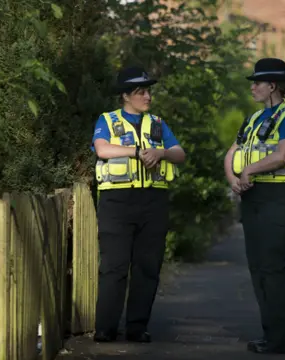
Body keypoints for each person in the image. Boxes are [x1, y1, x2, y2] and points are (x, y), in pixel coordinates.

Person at [91, 66, 186, 343]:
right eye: (141, 92)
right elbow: (102, 149)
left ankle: (137, 327)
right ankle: (105, 328)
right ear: (125, 96)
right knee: (114, 266)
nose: (147, 96)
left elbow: (179, 154)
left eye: (148, 91)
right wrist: (136, 152)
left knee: (148, 267)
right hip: (117, 202)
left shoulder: (157, 123)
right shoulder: (107, 120)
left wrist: (161, 152)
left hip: (153, 201)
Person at [224, 57, 285, 354]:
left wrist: (249, 171)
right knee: (258, 269)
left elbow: (284, 155)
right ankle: (271, 336)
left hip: (278, 198)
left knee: (272, 269)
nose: (252, 87)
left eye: (256, 82)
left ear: (273, 86)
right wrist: (233, 177)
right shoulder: (254, 119)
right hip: (253, 198)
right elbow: (233, 151)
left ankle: (282, 340)